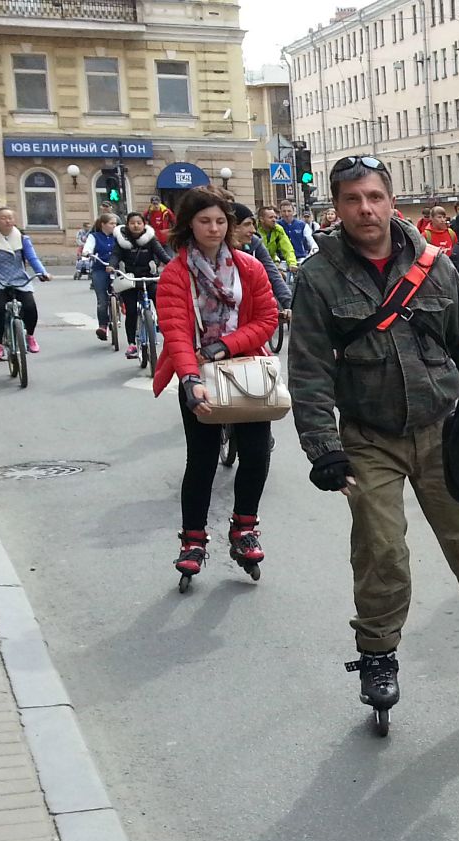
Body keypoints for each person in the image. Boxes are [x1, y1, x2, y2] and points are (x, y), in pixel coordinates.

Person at [287, 154, 459, 716]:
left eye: (374, 196)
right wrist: (323, 448)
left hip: (441, 428)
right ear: (337, 206)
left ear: (390, 200)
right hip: (368, 436)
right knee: (381, 551)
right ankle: (377, 654)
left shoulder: (434, 264)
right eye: (352, 199)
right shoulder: (320, 276)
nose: (365, 209)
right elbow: (307, 368)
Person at [151, 188, 281, 586]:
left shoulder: (249, 267)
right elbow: (174, 332)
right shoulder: (176, 273)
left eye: (221, 221)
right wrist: (190, 380)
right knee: (203, 460)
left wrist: (225, 345)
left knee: (257, 454)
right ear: (189, 223)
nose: (213, 228)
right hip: (199, 374)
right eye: (205, 220)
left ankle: (244, 529)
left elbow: (267, 318)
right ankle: (193, 540)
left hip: (243, 370)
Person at [0, 205, 49, 359]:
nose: (8, 221)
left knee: (30, 307)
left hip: (19, 278)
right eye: (3, 218)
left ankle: (30, 336)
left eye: (10, 218)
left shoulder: (22, 238)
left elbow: (32, 258)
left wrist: (42, 272)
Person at [114, 211, 172, 361]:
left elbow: (162, 254)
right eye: (132, 223)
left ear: (144, 224)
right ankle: (132, 344)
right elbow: (115, 255)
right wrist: (111, 265)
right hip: (130, 279)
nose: (136, 225)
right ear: (127, 225)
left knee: (161, 302)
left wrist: (172, 264)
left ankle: (167, 333)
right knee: (131, 310)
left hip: (148, 277)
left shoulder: (150, 239)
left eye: (139, 223)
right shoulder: (122, 241)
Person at [230, 203, 293, 312]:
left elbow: (272, 272)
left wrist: (290, 305)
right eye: (247, 224)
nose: (253, 230)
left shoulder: (256, 242)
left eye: (252, 224)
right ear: (232, 227)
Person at [82, 213, 120, 343]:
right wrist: (87, 253)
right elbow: (88, 247)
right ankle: (103, 326)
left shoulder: (119, 236)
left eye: (115, 224)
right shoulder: (94, 236)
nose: (114, 226)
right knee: (102, 300)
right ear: (103, 224)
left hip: (117, 268)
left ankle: (121, 305)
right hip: (100, 269)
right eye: (111, 223)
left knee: (124, 288)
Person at [255, 205, 299, 272]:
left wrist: (292, 263)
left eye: (275, 217)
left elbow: (287, 248)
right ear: (261, 219)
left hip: (272, 263)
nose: (274, 220)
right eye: (271, 217)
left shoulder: (278, 229)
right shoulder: (254, 230)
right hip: (256, 264)